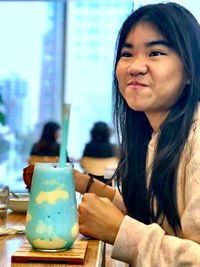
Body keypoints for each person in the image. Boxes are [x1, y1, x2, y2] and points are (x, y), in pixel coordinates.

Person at [23, 3, 200, 266]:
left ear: (190, 70)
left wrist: (121, 232)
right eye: (127, 54)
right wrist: (82, 183)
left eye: (156, 52)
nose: (135, 67)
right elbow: (149, 213)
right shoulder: (159, 138)